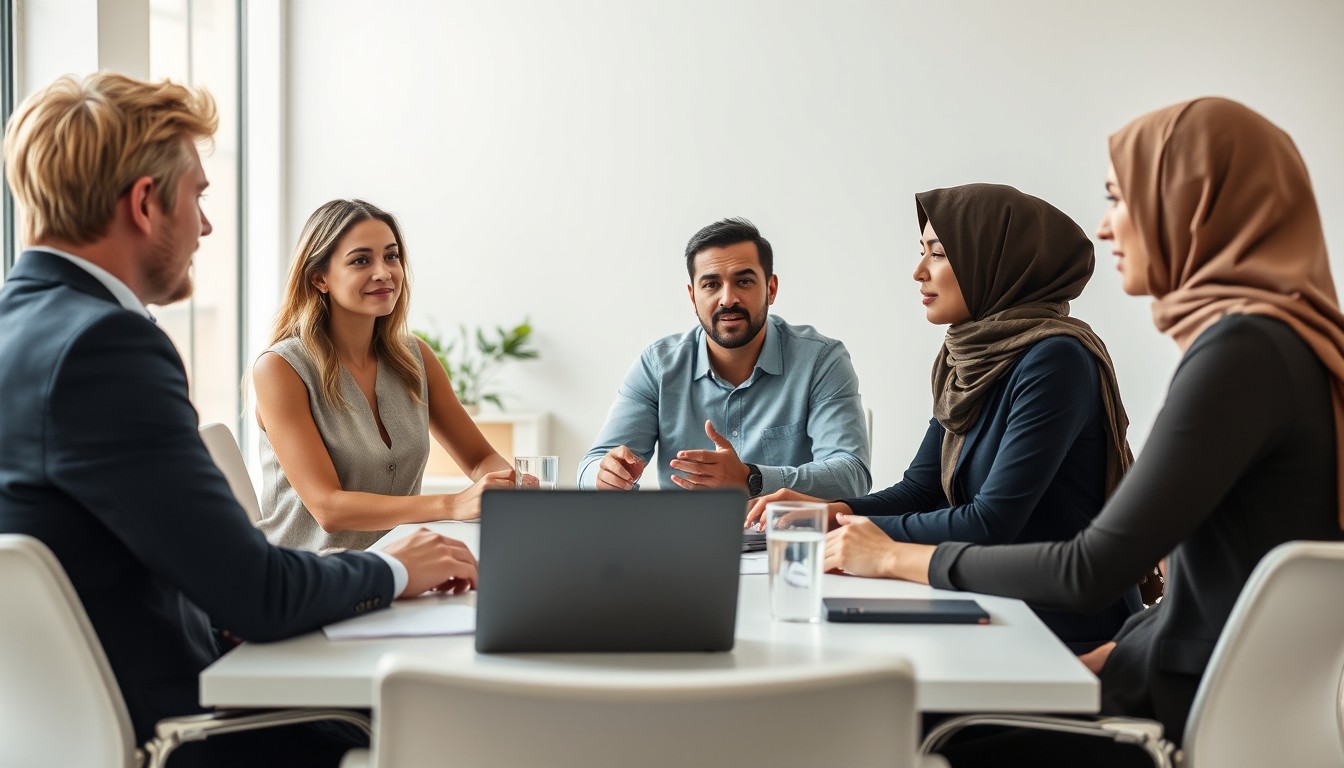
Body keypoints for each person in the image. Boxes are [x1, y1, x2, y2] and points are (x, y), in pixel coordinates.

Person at [827, 98, 1344, 765]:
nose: (1104, 228)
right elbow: (1214, 585)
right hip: (1176, 691)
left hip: (1164, 722)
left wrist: (895, 557)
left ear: (1192, 204)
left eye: (1119, 199)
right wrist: (1114, 655)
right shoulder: (1287, 347)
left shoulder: (1240, 354)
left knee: (878, 721)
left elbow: (1090, 568)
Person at [0, 73, 478, 767]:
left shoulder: (23, 329)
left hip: (65, 728)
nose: (205, 225)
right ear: (144, 203)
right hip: (189, 728)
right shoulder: (105, 348)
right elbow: (260, 595)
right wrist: (393, 568)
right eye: (198, 195)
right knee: (459, 732)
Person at [748, 183, 1141, 651]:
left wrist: (852, 532)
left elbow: (990, 522)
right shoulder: (968, 360)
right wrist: (834, 510)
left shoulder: (1055, 359)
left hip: (1059, 630)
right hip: (993, 605)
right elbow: (923, 489)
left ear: (992, 260)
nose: (918, 272)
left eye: (937, 254)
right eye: (922, 253)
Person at [252, 199, 513, 552]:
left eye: (391, 256)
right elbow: (328, 507)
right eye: (361, 260)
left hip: (398, 569)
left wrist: (506, 487)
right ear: (319, 278)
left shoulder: (415, 358)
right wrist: (453, 504)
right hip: (308, 580)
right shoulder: (281, 369)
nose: (384, 272)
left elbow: (480, 459)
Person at [577, 217, 871, 499]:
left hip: (787, 543)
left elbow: (851, 475)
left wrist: (752, 478)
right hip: (686, 544)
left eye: (743, 282)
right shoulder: (658, 366)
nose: (728, 298)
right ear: (693, 297)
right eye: (711, 284)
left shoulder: (821, 360)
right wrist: (606, 476)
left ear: (771, 289)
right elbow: (591, 466)